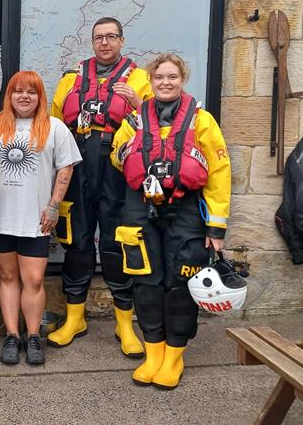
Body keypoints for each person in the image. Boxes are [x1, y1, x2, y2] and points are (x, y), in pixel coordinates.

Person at [111, 53, 230, 390]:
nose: (165, 82)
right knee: (146, 282)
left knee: (180, 284)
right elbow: (117, 157)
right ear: (150, 81)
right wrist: (132, 151)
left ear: (182, 80)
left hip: (187, 210)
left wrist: (216, 227)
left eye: (172, 77)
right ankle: (153, 354)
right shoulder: (135, 120)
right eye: (159, 77)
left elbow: (220, 172)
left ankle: (174, 356)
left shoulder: (202, 121)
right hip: (141, 206)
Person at [48, 17, 151, 357]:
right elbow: (54, 123)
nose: (104, 43)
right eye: (98, 38)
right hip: (78, 167)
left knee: (115, 242)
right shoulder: (71, 78)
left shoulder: (141, 79)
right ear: (92, 42)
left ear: (122, 40)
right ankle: (74, 317)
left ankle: (125, 324)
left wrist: (137, 103)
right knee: (76, 240)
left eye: (111, 37)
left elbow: (156, 126)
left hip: (116, 169)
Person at [0, 71, 81, 366]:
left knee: (34, 279)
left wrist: (54, 205)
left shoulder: (54, 127)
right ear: (9, 95)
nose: (24, 97)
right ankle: (12, 336)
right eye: (18, 91)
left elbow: (65, 168)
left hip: (36, 218)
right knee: (7, 276)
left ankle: (33, 336)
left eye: (31, 92)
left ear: (40, 96)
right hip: (0, 215)